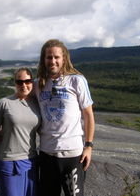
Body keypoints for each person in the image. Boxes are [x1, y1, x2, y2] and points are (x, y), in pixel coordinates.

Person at [35, 39, 95, 196]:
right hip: (46, 153)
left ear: (64, 58)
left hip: (73, 154)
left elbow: (88, 115)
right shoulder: (38, 85)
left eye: (56, 57)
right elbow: (21, 105)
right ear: (43, 59)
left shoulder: (76, 80)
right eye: (49, 57)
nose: (52, 61)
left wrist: (88, 146)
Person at [0, 67, 41, 196]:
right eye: (19, 82)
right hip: (8, 162)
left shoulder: (38, 104)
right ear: (15, 83)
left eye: (27, 81)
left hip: (31, 161)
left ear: (32, 82)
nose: (24, 85)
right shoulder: (4, 103)